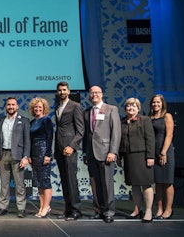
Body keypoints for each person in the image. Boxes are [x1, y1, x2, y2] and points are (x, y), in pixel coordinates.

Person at [82, 86, 121, 223]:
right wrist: (85, 152)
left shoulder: (111, 109)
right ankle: (98, 210)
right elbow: (86, 135)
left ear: (102, 94)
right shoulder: (86, 112)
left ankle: (109, 212)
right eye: (91, 93)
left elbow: (116, 133)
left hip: (106, 153)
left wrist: (113, 151)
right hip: (91, 154)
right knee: (95, 184)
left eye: (96, 92)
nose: (94, 95)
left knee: (107, 184)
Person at [120, 98, 155, 223]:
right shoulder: (122, 121)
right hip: (128, 156)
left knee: (146, 184)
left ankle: (149, 211)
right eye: (128, 106)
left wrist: (150, 156)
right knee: (134, 185)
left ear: (138, 108)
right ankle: (136, 210)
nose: (131, 108)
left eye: (134, 106)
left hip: (142, 156)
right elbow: (119, 141)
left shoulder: (145, 120)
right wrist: (119, 156)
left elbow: (150, 139)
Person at [0, 97, 31, 218]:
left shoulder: (24, 120)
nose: (11, 107)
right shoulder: (0, 120)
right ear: (6, 106)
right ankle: (3, 208)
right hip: (3, 155)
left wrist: (25, 156)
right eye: (9, 105)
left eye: (13, 105)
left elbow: (27, 140)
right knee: (4, 184)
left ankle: (21, 208)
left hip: (18, 156)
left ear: (17, 106)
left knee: (19, 183)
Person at [54, 82, 85, 220]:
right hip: (59, 148)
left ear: (69, 91)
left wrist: (72, 146)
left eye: (64, 90)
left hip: (69, 148)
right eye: (59, 90)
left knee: (71, 179)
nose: (62, 92)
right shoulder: (58, 107)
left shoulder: (75, 106)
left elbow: (80, 131)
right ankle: (67, 209)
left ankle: (76, 210)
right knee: (64, 180)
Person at [150, 94, 175, 219]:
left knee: (167, 182)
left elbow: (169, 135)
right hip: (153, 152)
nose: (156, 104)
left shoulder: (167, 116)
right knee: (158, 182)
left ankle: (168, 209)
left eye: (158, 102)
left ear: (162, 104)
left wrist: (163, 152)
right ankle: (159, 209)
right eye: (154, 102)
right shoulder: (150, 117)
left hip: (165, 152)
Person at [28, 97, 53, 218]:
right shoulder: (32, 122)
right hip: (34, 153)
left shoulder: (46, 120)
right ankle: (42, 206)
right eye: (35, 107)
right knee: (38, 181)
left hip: (44, 151)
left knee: (45, 180)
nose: (37, 109)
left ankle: (47, 206)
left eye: (40, 107)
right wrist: (30, 156)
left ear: (44, 108)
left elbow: (50, 137)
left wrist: (48, 154)